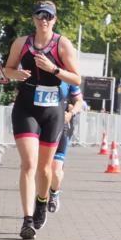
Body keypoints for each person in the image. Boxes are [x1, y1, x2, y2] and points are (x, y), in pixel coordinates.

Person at [0, 1, 82, 240]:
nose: (44, 20)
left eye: (48, 16)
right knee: (28, 164)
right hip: (26, 106)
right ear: (33, 18)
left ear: (55, 20)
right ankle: (27, 220)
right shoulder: (21, 43)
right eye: (39, 15)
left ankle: (42, 201)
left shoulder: (62, 44)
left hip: (52, 110)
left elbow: (76, 79)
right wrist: (16, 74)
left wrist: (54, 69)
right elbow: (7, 70)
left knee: (45, 168)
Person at [48, 81, 83, 214]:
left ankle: (54, 193)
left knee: (56, 171)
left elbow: (79, 101)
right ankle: (40, 200)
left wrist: (71, 113)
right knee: (41, 169)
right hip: (41, 126)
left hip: (62, 126)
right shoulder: (37, 70)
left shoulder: (67, 75)